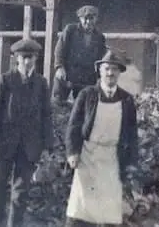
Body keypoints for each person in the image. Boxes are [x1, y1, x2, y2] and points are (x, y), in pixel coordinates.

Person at [64, 49, 139, 227]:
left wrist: (131, 162)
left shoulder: (126, 100)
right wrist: (72, 152)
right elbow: (73, 126)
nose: (110, 73)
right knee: (80, 210)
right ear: (100, 71)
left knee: (108, 213)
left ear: (119, 72)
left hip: (112, 159)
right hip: (88, 157)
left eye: (114, 69)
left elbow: (132, 134)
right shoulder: (87, 95)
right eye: (106, 68)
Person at [0, 39, 53, 227]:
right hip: (4, 144)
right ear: (16, 59)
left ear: (36, 59)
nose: (27, 62)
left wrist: (46, 146)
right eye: (24, 58)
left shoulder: (41, 83)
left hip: (29, 146)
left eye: (31, 58)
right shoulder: (6, 80)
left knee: (21, 192)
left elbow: (47, 116)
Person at [53, 5, 107, 104]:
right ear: (80, 18)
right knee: (58, 104)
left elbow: (101, 59)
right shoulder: (70, 30)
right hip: (67, 74)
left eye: (91, 19)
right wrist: (59, 67)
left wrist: (100, 77)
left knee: (83, 107)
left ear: (96, 19)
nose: (88, 22)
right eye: (85, 19)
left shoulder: (100, 37)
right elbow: (59, 49)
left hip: (86, 78)